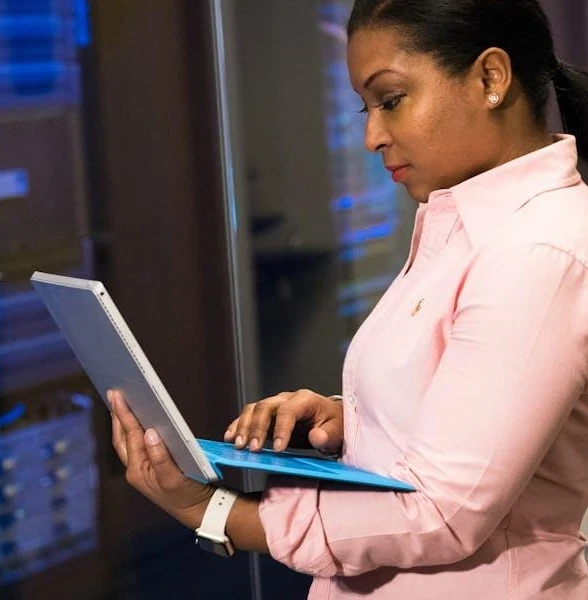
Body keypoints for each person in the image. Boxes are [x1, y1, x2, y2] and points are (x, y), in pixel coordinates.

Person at [110, 1, 588, 598]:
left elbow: (443, 511)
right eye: (367, 108)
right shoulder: (465, 228)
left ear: (490, 78)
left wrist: (215, 512)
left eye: (390, 100)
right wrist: (352, 418)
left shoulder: (536, 250)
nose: (371, 136)